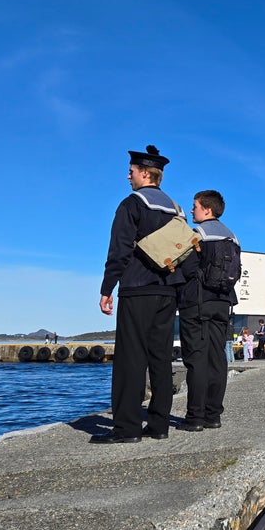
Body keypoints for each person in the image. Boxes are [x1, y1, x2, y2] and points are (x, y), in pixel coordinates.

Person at [93, 145, 187, 444]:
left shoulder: (132, 204)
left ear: (145, 173)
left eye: (131, 171)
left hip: (137, 288)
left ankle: (127, 428)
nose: (128, 176)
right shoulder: (176, 209)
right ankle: (159, 425)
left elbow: (119, 249)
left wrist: (107, 288)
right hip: (168, 290)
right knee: (160, 358)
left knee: (130, 359)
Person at [175, 190, 240, 432]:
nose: (192, 210)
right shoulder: (232, 237)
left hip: (197, 301)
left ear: (207, 210)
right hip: (223, 303)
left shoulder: (198, 234)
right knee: (217, 358)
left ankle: (195, 418)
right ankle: (213, 415)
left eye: (195, 206)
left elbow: (188, 268)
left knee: (196, 359)